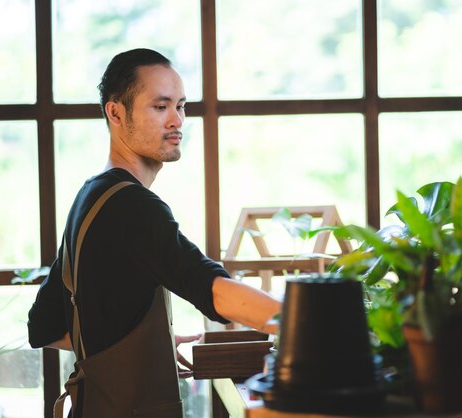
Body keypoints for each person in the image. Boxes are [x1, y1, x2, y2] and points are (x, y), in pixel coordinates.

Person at [27, 48, 281, 418]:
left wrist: (143, 351)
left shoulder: (93, 195)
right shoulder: (132, 205)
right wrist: (308, 322)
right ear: (115, 113)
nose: (177, 120)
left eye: (181, 106)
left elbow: (45, 325)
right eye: (160, 107)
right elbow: (210, 287)